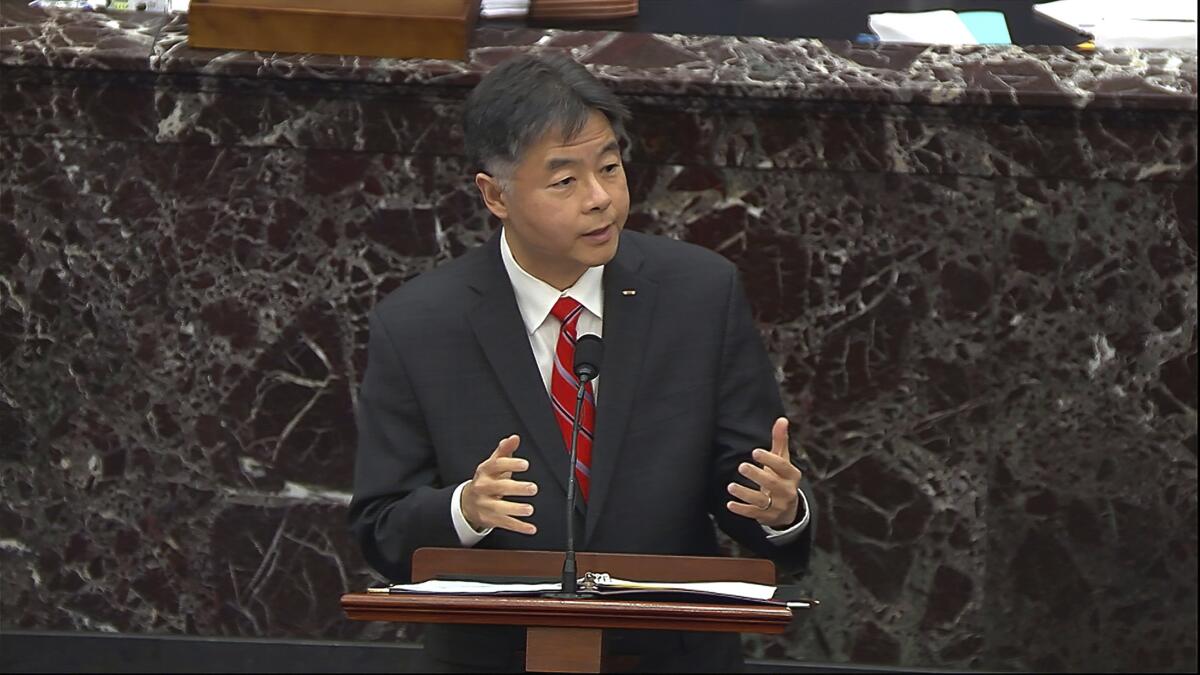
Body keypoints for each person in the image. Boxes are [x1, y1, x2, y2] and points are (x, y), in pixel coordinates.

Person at [349, 52, 816, 672]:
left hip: (672, 653)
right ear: (495, 195)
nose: (600, 199)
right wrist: (463, 508)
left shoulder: (699, 294)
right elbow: (380, 529)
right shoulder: (419, 325)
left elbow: (750, 487)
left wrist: (782, 512)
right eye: (564, 180)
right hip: (496, 656)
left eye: (610, 168)